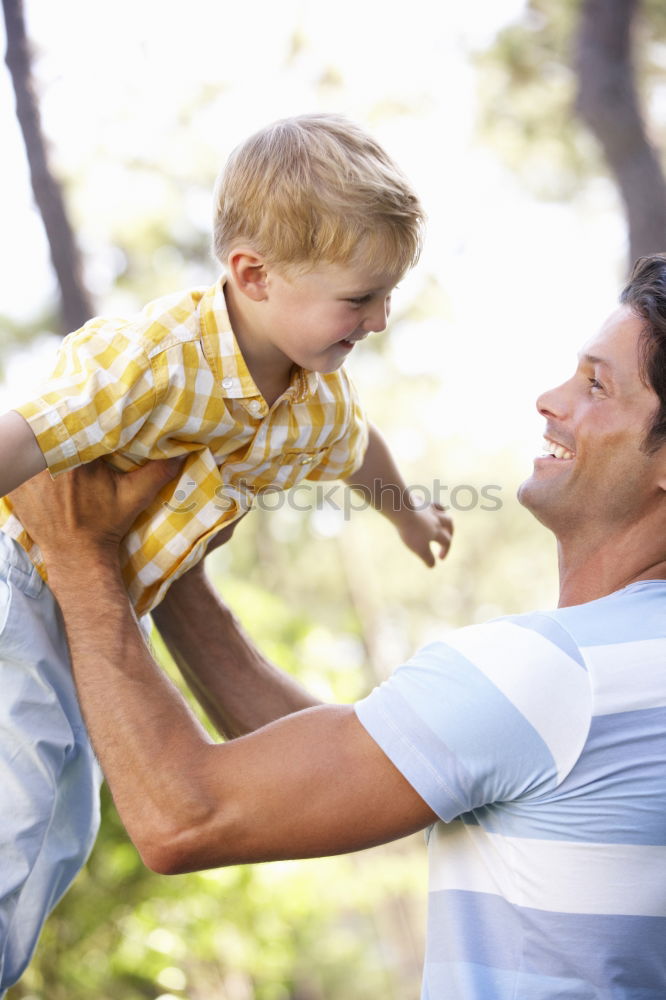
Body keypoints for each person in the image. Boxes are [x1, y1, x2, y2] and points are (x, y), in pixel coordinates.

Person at [8, 253, 666, 999]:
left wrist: (78, 550)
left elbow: (186, 815)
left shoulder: (557, 673)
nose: (550, 399)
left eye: (595, 385)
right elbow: (351, 763)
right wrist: (175, 559)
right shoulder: (628, 671)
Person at [0, 114, 453, 993]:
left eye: (389, 295)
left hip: (93, 617)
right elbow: (23, 444)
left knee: (63, 822)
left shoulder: (316, 396)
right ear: (253, 274)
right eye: (360, 299)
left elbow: (361, 452)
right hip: (21, 582)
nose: (381, 321)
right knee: (19, 804)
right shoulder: (157, 363)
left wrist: (407, 517)